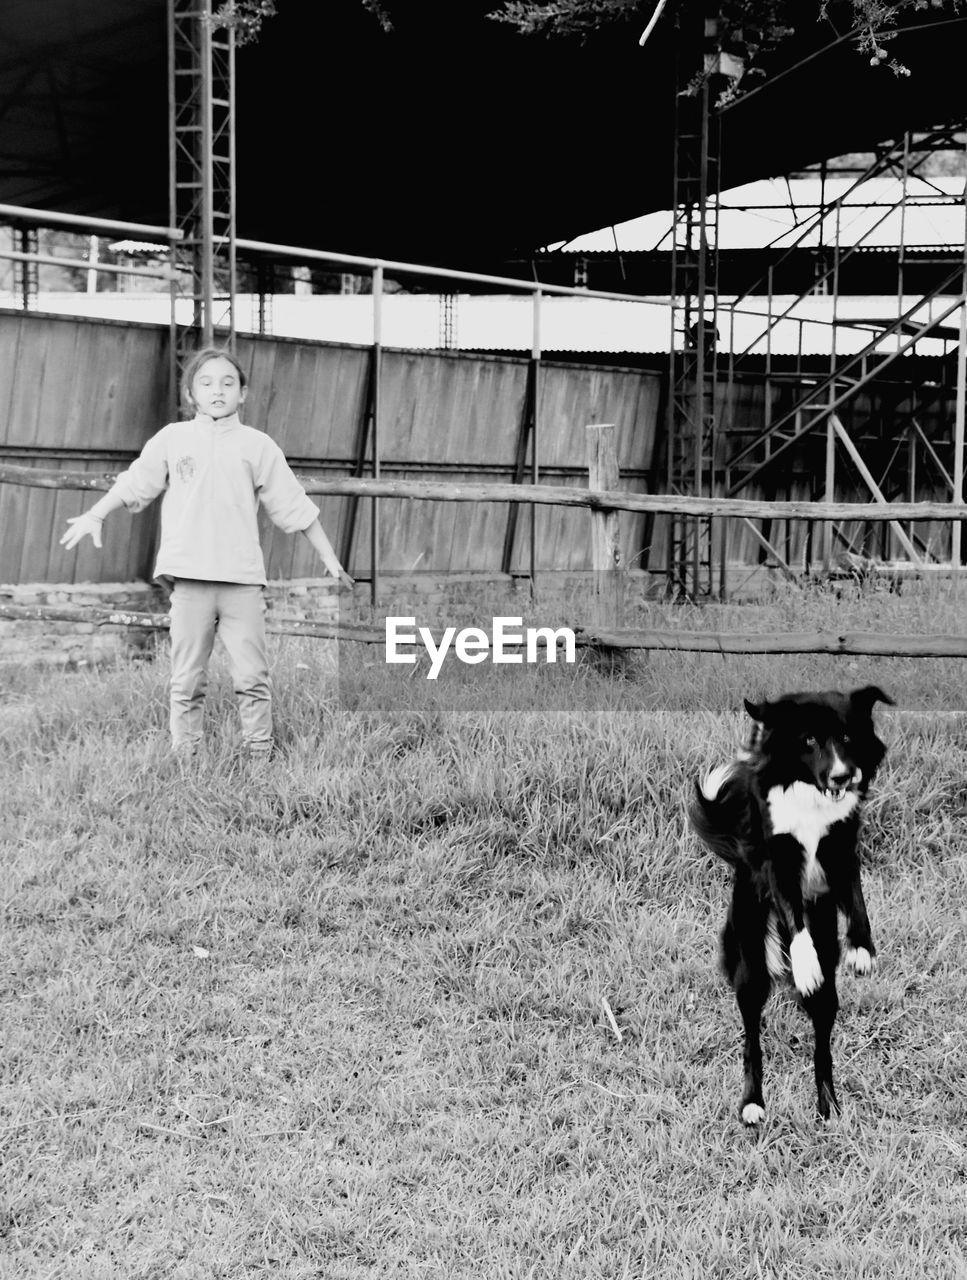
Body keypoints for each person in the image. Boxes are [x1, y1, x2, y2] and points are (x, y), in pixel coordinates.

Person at [60, 347, 353, 758]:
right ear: (191, 393)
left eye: (228, 383)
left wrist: (329, 557)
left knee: (252, 676)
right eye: (207, 382)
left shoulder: (258, 446)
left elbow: (293, 505)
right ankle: (186, 758)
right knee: (186, 679)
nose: (218, 391)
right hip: (189, 580)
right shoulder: (172, 438)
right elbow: (136, 483)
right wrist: (96, 514)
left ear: (243, 393)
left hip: (242, 581)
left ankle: (259, 756)